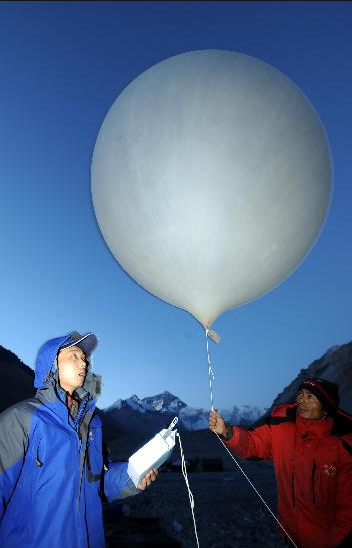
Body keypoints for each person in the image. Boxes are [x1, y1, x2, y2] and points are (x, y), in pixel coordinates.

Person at [0, 331, 158, 547]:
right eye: (73, 356)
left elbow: (98, 484)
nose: (83, 363)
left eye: (84, 358)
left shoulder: (92, 425)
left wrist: (133, 477)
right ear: (52, 364)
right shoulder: (21, 419)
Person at [209, 378, 352, 548]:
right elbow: (254, 444)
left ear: (326, 408)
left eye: (310, 397)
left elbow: (348, 508)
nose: (301, 400)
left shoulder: (344, 445)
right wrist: (227, 431)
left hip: (327, 540)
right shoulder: (282, 425)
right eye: (300, 394)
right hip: (291, 535)